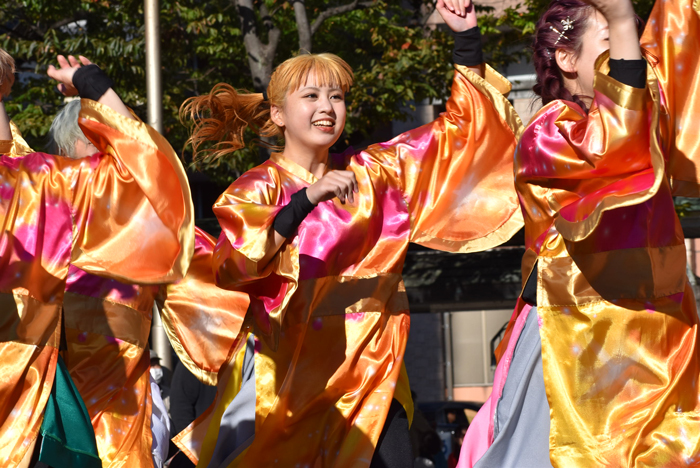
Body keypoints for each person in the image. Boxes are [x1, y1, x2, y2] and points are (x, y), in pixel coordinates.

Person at [180, 0, 524, 465]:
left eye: (337, 97)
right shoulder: (256, 188)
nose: (327, 107)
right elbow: (234, 265)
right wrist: (305, 200)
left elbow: (457, 138)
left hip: (375, 376)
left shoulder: (375, 171)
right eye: (312, 97)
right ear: (279, 115)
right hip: (293, 386)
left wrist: (466, 39)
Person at [458, 0, 700, 466]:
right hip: (573, 331)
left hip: (657, 332)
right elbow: (615, 145)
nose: (630, 61)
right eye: (610, 45)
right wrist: (624, 18)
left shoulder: (648, 120)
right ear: (567, 61)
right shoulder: (549, 133)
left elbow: (670, 51)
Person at [0, 52, 195, 468]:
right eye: (98, 140)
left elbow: (147, 167)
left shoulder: (145, 225)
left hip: (113, 422)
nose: (107, 152)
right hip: (32, 413)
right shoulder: (37, 200)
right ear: (72, 147)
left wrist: (93, 85)